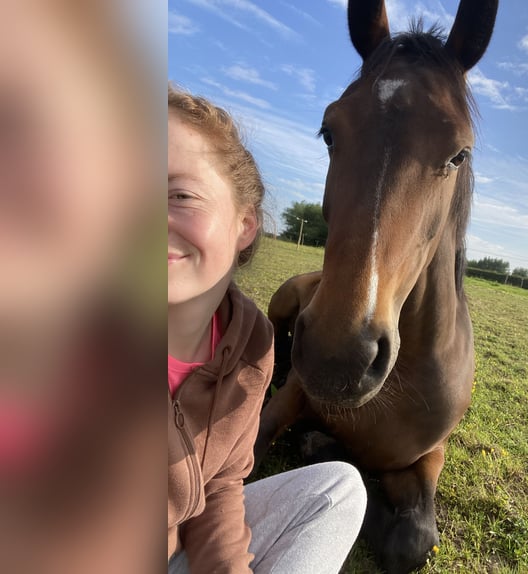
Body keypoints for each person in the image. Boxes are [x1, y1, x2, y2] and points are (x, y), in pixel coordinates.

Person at [167, 84, 367, 574]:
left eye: (180, 195)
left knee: (339, 489)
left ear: (245, 224)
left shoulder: (253, 342)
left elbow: (216, 485)